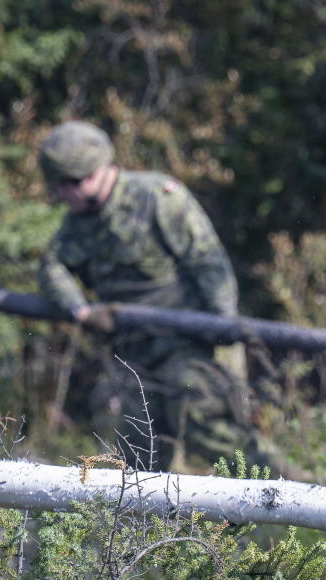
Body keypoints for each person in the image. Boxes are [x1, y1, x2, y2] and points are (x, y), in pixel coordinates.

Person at [37, 120, 256, 472]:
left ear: (93, 174)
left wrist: (222, 323)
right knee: (139, 459)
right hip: (135, 359)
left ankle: (302, 499)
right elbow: (52, 267)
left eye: (68, 185)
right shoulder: (78, 224)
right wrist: (80, 310)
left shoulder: (156, 197)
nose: (61, 195)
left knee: (218, 437)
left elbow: (208, 261)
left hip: (190, 347)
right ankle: (145, 528)